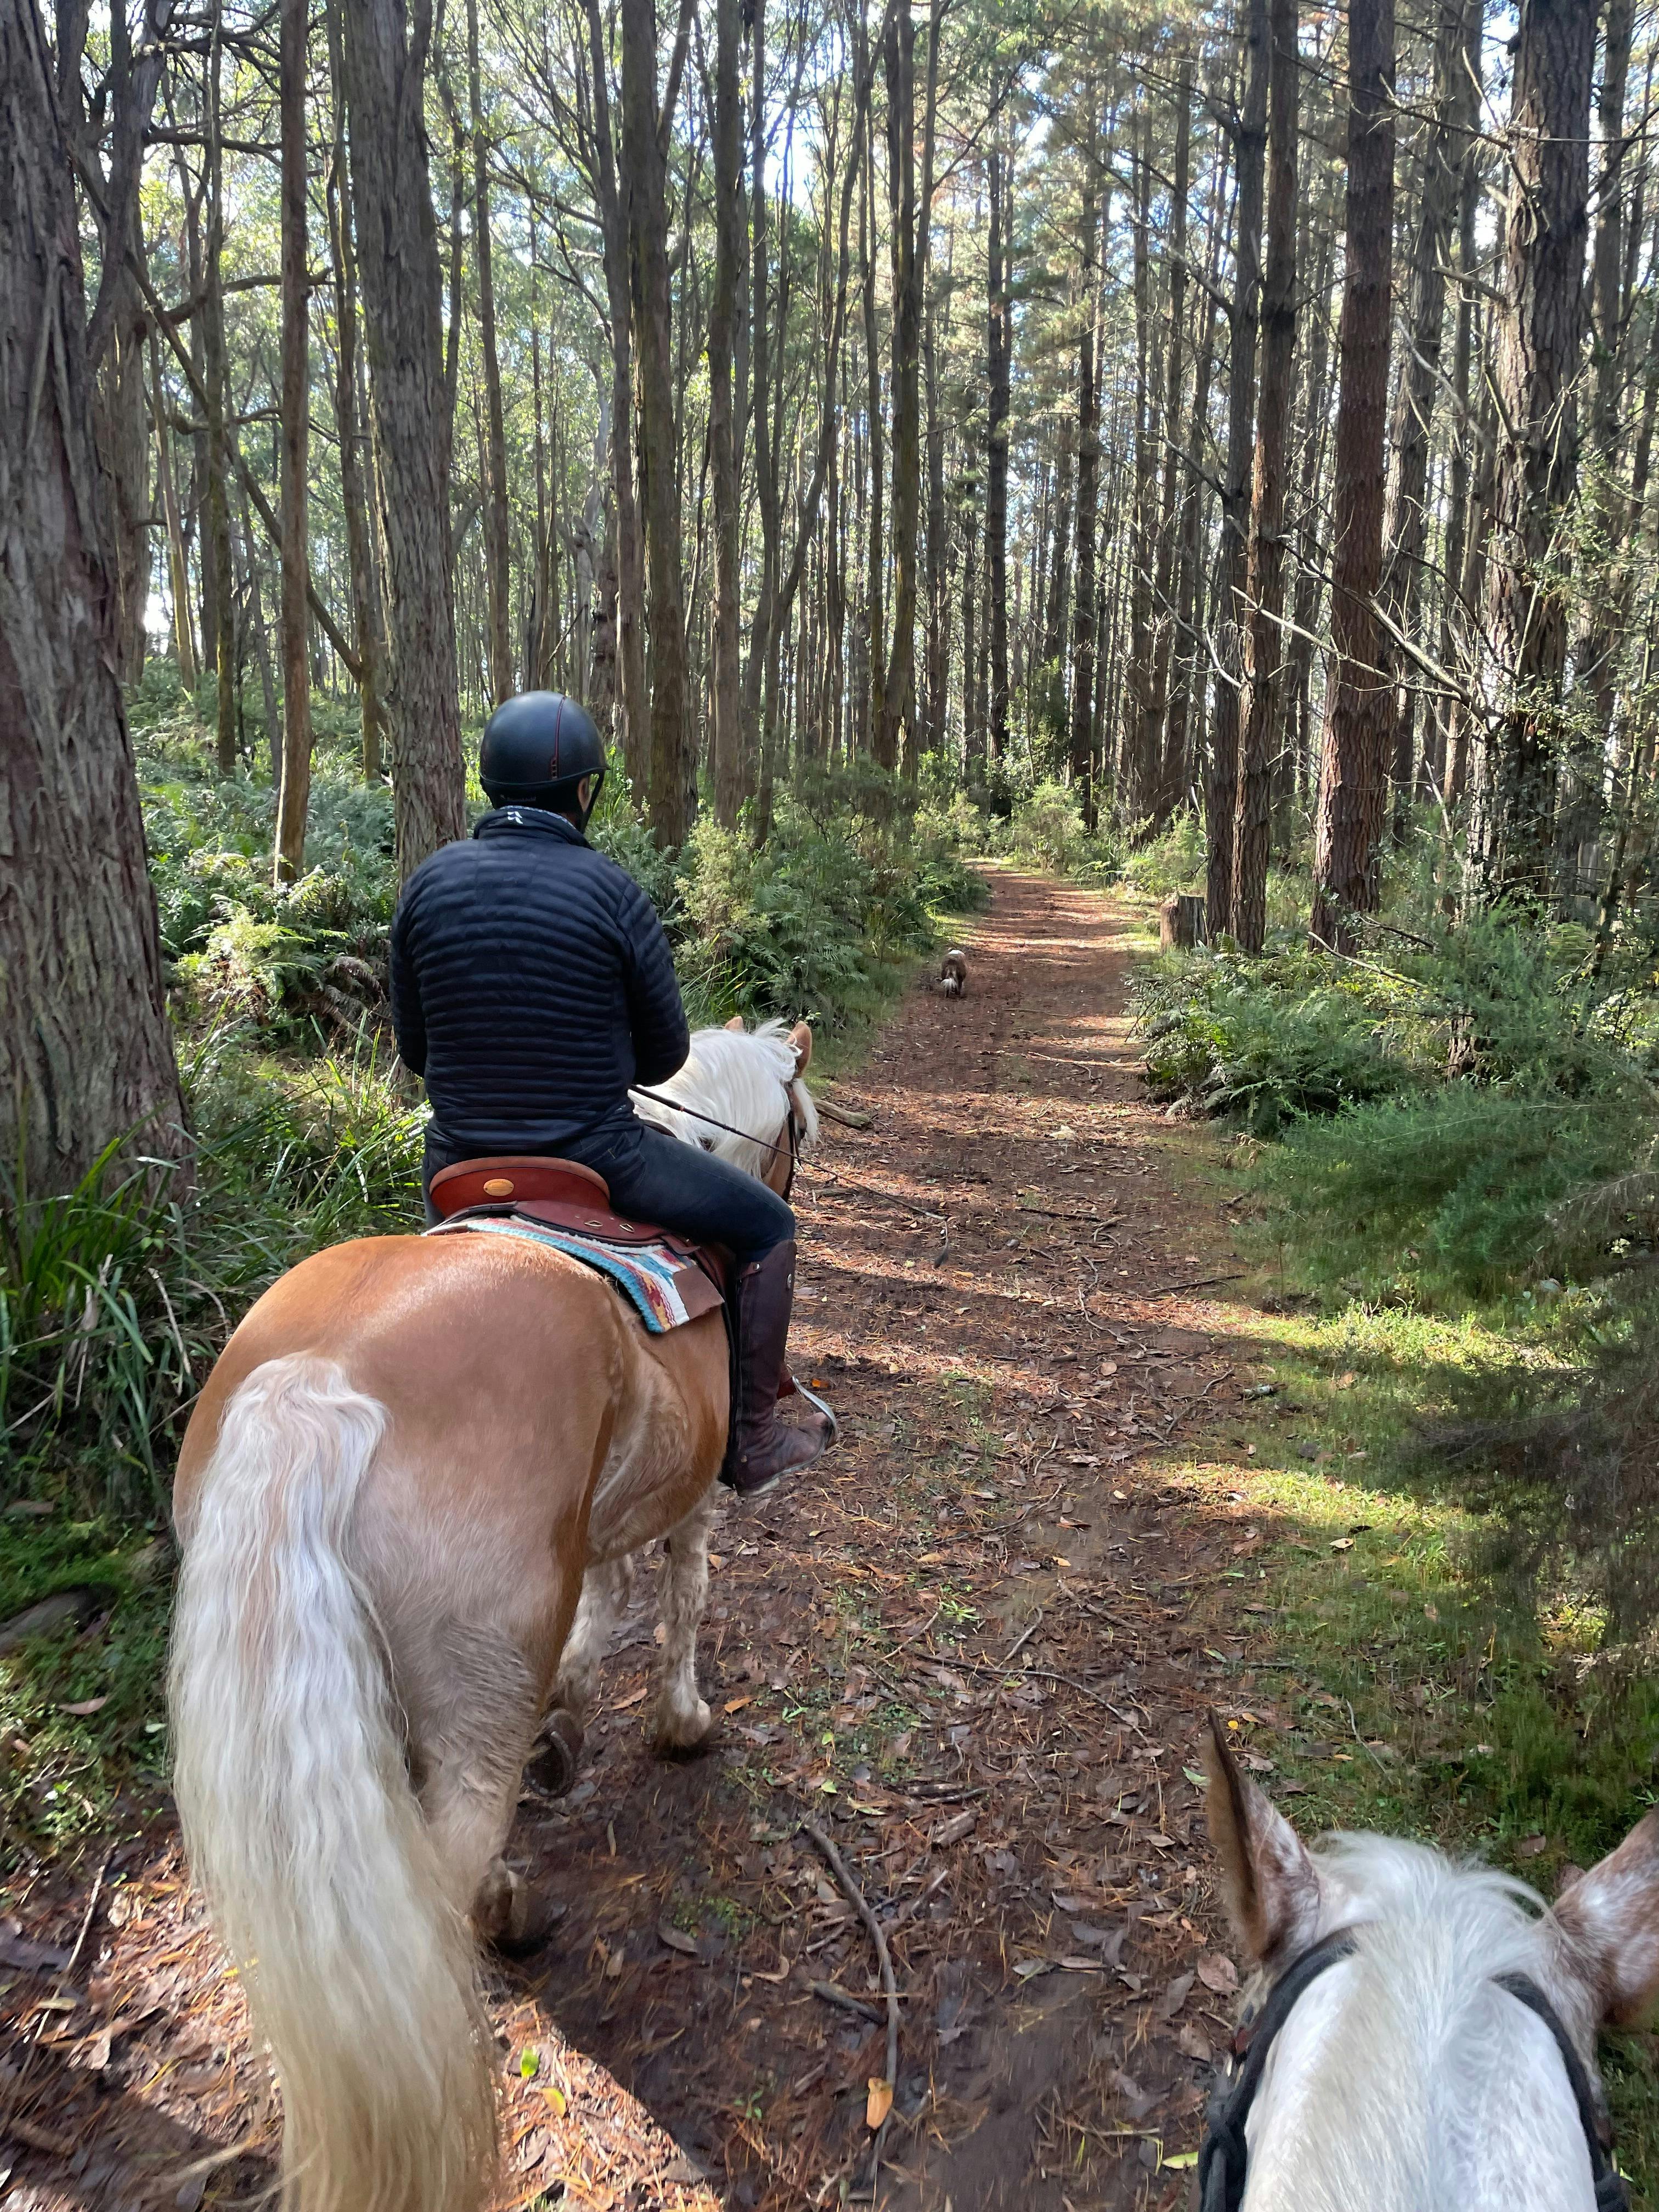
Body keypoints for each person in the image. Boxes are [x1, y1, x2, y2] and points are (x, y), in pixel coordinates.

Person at [388, 690, 831, 1498]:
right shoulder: (610, 890)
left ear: (489, 784)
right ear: (584, 792)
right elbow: (663, 1059)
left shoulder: (427, 885)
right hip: (595, 1160)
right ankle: (755, 1439)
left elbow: (416, 1051)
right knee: (770, 1222)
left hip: (454, 1169)